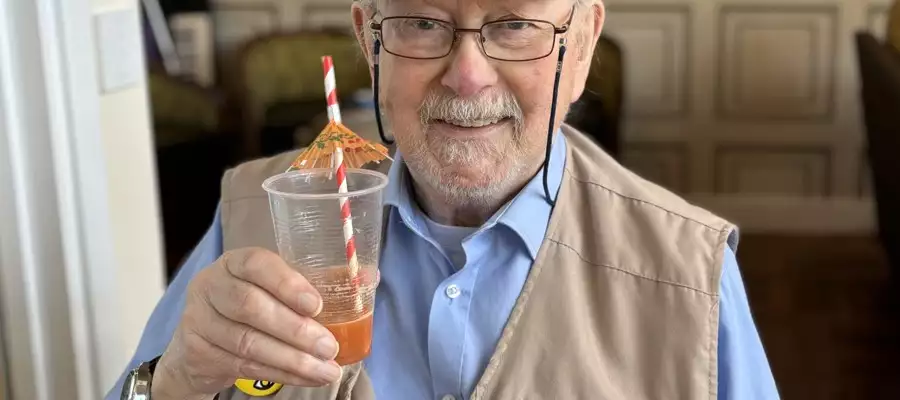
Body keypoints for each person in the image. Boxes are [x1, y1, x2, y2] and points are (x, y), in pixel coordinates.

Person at [111, 0, 780, 399]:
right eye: (424, 23)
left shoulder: (690, 276)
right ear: (369, 38)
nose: (467, 76)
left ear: (580, 47)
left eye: (514, 25)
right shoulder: (252, 214)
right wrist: (173, 383)